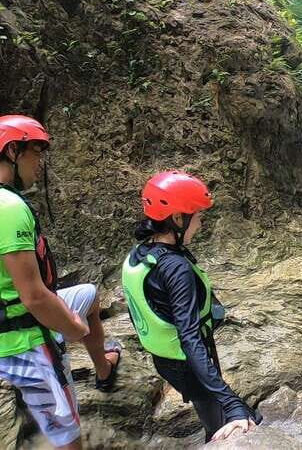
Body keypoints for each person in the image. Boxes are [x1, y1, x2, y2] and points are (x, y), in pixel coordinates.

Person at [0, 114, 122, 450]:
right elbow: (35, 297)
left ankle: (102, 370)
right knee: (68, 440)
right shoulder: (8, 207)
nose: (39, 163)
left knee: (88, 295)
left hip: (9, 320)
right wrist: (73, 328)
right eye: (35, 152)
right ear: (12, 151)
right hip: (24, 342)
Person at [121, 171, 261, 442]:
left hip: (167, 362)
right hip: (188, 365)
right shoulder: (175, 268)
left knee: (213, 416)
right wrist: (231, 404)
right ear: (177, 218)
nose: (200, 223)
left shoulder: (142, 255)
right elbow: (189, 339)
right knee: (242, 425)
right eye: (197, 216)